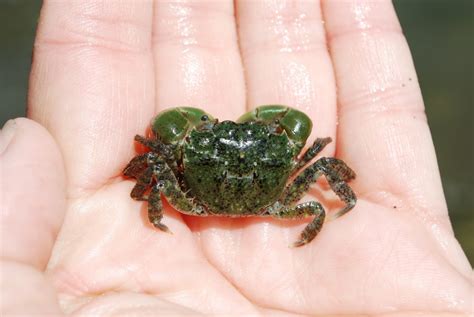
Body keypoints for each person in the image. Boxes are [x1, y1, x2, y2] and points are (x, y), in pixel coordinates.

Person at [1, 1, 471, 315]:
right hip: (274, 204)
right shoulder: (292, 177)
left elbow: (150, 164)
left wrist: (147, 192)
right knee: (322, 164)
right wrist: (341, 199)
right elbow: (327, 164)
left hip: (194, 204)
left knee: (157, 164)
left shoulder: (186, 157)